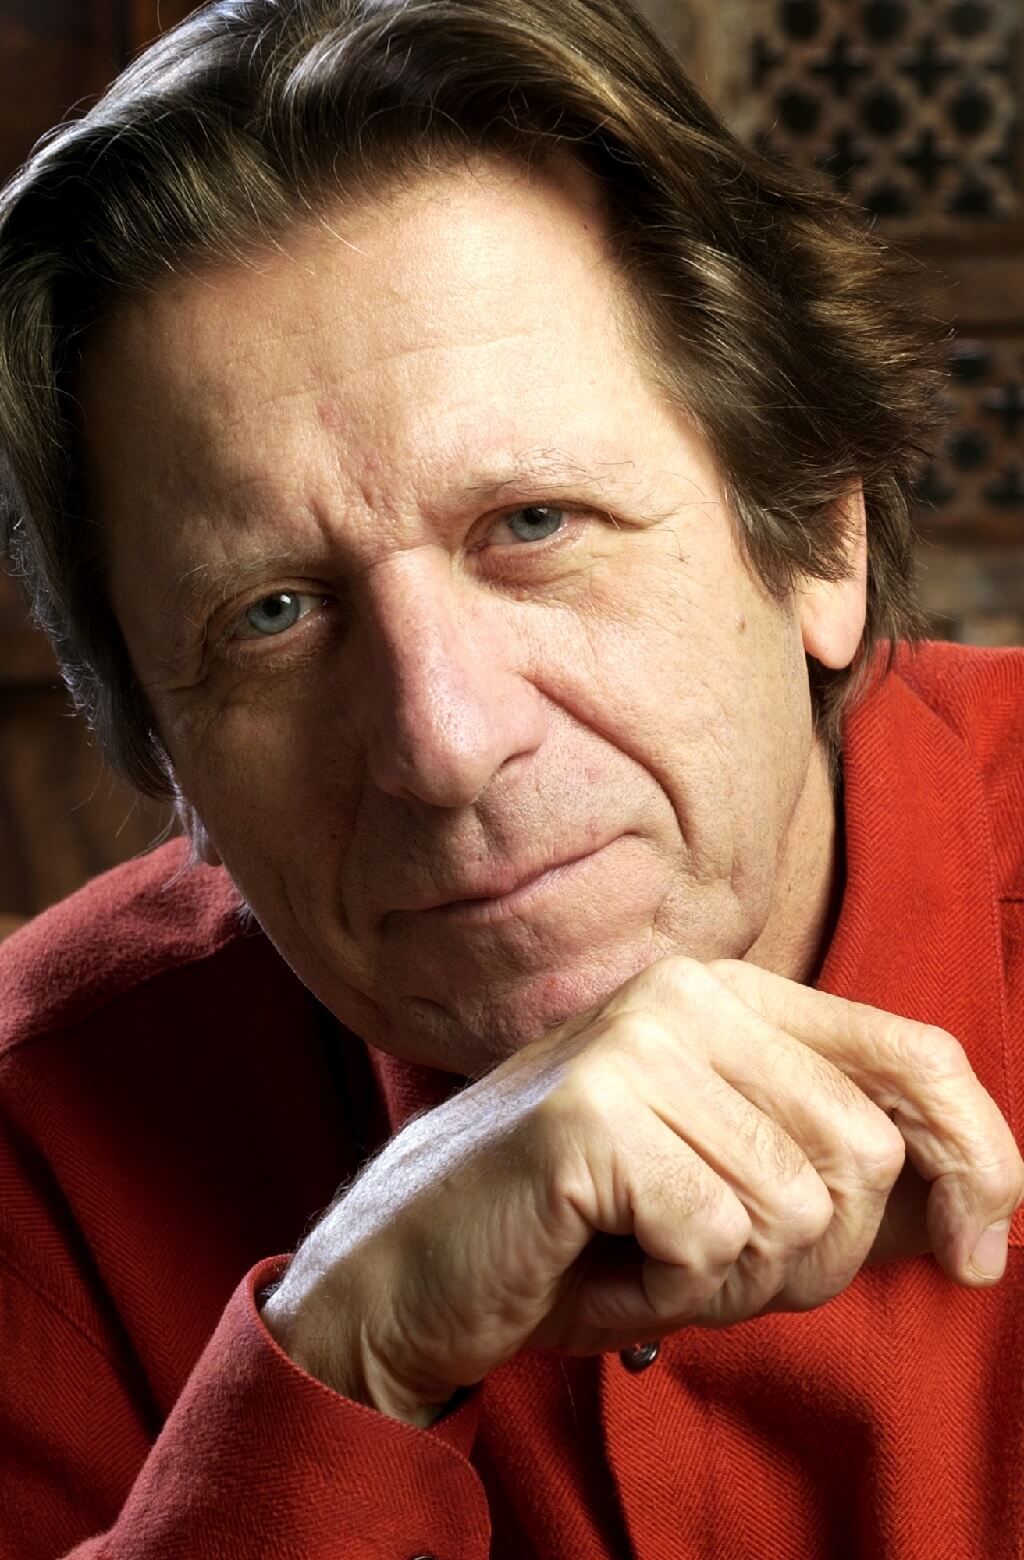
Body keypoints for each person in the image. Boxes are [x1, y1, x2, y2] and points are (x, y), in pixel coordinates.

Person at [0, 0, 1021, 1554]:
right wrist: (342, 1355)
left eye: (534, 525)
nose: (443, 743)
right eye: (270, 615)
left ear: (820, 531)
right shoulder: (38, 1142)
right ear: (163, 748)